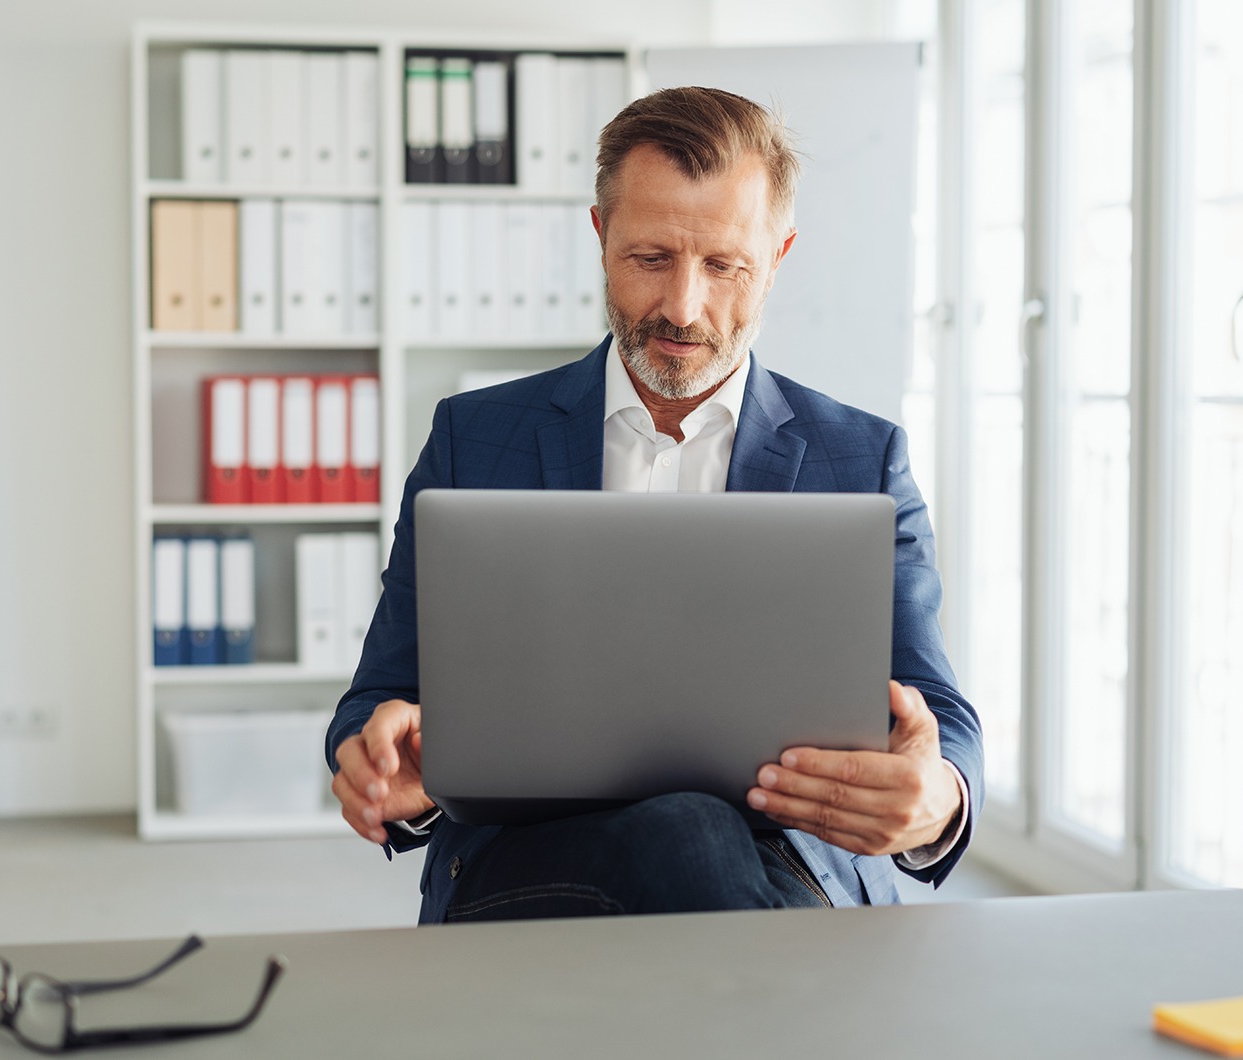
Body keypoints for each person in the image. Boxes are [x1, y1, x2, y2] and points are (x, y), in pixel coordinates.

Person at [326, 86, 983, 923]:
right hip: (529, 862)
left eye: (723, 266)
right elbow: (378, 693)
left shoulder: (861, 457)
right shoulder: (475, 437)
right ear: (600, 238)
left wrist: (939, 797)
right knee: (688, 834)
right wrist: (389, 769)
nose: (683, 307)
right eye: (650, 258)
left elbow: (938, 704)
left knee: (697, 836)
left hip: (787, 863)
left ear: (777, 256)